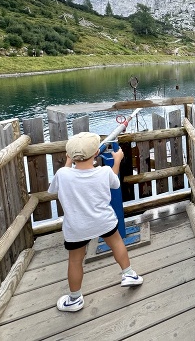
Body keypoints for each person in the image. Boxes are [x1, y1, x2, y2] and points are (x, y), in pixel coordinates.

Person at [48, 132, 143, 312]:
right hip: (103, 220)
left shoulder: (63, 175)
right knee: (116, 243)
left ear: (70, 155)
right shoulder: (104, 171)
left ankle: (75, 299)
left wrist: (69, 162)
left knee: (75, 260)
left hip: (76, 227)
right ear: (95, 154)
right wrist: (116, 161)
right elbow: (114, 183)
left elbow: (54, 188)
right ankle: (128, 274)